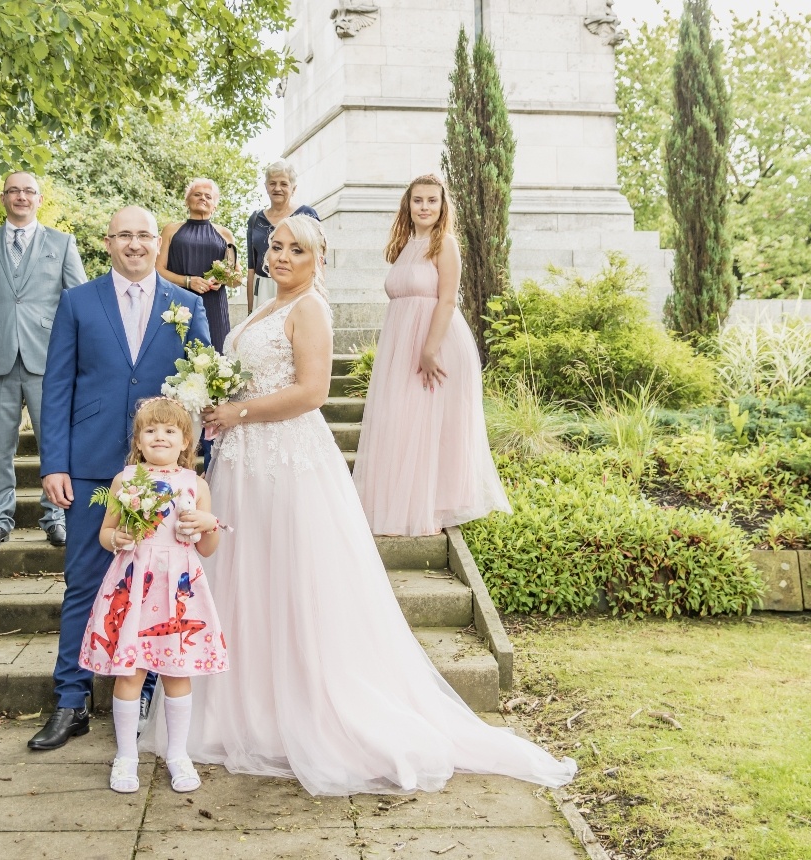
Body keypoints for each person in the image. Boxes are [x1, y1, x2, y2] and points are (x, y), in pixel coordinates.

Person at [141, 214, 575, 795]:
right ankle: (239, 706)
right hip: (244, 462)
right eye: (276, 247)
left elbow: (313, 392)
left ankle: (303, 708)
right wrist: (215, 399)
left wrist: (238, 411)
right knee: (246, 579)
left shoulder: (310, 309)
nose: (284, 256)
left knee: (291, 579)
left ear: (319, 258)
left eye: (298, 249)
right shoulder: (263, 309)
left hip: (287, 464)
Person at [33, 206, 212, 752]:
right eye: (124, 235)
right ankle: (70, 701)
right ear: (108, 242)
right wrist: (54, 463)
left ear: (157, 242)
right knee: (86, 580)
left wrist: (195, 463)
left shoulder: (187, 304)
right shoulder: (78, 302)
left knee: (159, 585)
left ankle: (149, 701)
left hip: (163, 472)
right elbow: (57, 385)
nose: (134, 244)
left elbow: (205, 381)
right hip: (92, 468)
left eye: (143, 235)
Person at [79, 397, 226, 794]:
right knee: (131, 671)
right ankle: (126, 755)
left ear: (185, 441)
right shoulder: (125, 480)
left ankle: (177, 753)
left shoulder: (196, 484)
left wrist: (208, 523)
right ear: (138, 443)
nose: (159, 436)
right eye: (150, 430)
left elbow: (207, 548)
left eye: (169, 430)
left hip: (178, 585)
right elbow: (106, 533)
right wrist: (117, 538)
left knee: (178, 672)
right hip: (134, 583)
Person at [353, 175, 511, 536]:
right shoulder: (406, 244)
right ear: (408, 205)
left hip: (436, 343)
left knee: (427, 424)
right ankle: (401, 504)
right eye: (418, 200)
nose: (424, 207)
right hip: (401, 344)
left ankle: (432, 508)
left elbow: (448, 299)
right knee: (402, 421)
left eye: (432, 201)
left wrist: (428, 349)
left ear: (442, 207)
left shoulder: (446, 245)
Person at [0, 171, 87, 551]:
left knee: (54, 443)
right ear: (3, 198)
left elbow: (78, 302)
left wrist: (81, 355)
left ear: (39, 199)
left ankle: (56, 517)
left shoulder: (61, 243)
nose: (22, 197)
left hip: (51, 360)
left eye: (29, 191)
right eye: (14, 191)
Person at [156, 178, 237, 352]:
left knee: (215, 357)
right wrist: (187, 281)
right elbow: (157, 270)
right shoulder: (171, 230)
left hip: (214, 305)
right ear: (187, 201)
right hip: (178, 302)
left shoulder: (225, 234)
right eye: (197, 194)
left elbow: (237, 278)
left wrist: (222, 280)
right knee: (176, 354)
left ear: (214, 205)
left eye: (208, 196)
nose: (203, 198)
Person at [245, 160, 319, 312]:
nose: (277, 188)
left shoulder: (306, 215)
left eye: (284, 184)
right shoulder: (255, 219)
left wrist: (319, 297)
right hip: (263, 288)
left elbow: (319, 261)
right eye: (272, 183)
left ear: (293, 188)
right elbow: (251, 268)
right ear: (266, 187)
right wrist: (250, 309)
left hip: (296, 285)